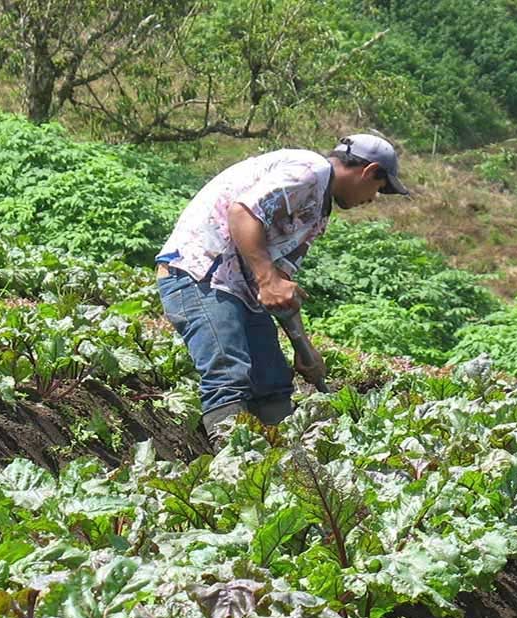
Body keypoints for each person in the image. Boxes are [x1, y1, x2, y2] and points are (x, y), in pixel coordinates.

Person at [155, 134, 408, 447]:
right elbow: (242, 213)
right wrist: (266, 280)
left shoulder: (318, 215)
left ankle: (284, 463)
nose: (373, 199)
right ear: (369, 171)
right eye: (379, 188)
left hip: (239, 289)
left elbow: (281, 283)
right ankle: (234, 462)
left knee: (273, 382)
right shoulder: (310, 170)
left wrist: (304, 349)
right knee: (229, 375)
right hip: (200, 273)